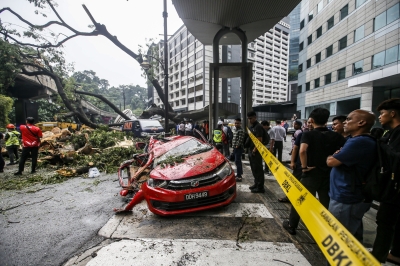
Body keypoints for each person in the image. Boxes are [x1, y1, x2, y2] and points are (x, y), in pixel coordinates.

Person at [282, 108, 346, 235]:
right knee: (325, 202)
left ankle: (292, 225)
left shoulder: (308, 134)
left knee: (300, 200)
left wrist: (304, 167)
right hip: (328, 173)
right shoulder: (336, 136)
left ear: (311, 120)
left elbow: (302, 150)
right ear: (326, 120)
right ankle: (325, 228)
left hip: (311, 174)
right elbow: (343, 151)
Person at [326, 110, 376, 243]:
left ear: (361, 122)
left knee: (339, 240)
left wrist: (333, 156)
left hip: (346, 198)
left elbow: (331, 161)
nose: (345, 123)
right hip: (344, 195)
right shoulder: (353, 140)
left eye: (348, 119)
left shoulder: (360, 142)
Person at [371, 98, 400, 264]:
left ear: (393, 113)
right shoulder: (390, 133)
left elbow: (395, 158)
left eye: (382, 113)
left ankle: (377, 257)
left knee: (385, 223)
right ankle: (395, 253)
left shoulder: (396, 135)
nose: (380, 117)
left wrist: (381, 144)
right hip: (393, 185)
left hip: (395, 188)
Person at [246, 111, 265, 193]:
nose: (250, 120)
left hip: (256, 151)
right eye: (249, 119)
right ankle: (256, 183)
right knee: (254, 168)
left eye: (251, 118)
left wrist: (254, 151)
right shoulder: (252, 127)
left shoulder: (258, 126)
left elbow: (259, 140)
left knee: (258, 169)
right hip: (251, 150)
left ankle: (260, 187)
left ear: (255, 117)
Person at [232, 118, 245, 182]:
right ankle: (239, 174)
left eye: (238, 123)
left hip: (238, 148)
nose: (236, 124)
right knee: (237, 161)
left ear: (240, 123)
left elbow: (240, 140)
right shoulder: (235, 130)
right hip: (235, 148)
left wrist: (236, 146)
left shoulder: (241, 130)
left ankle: (239, 176)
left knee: (237, 161)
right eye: (235, 123)